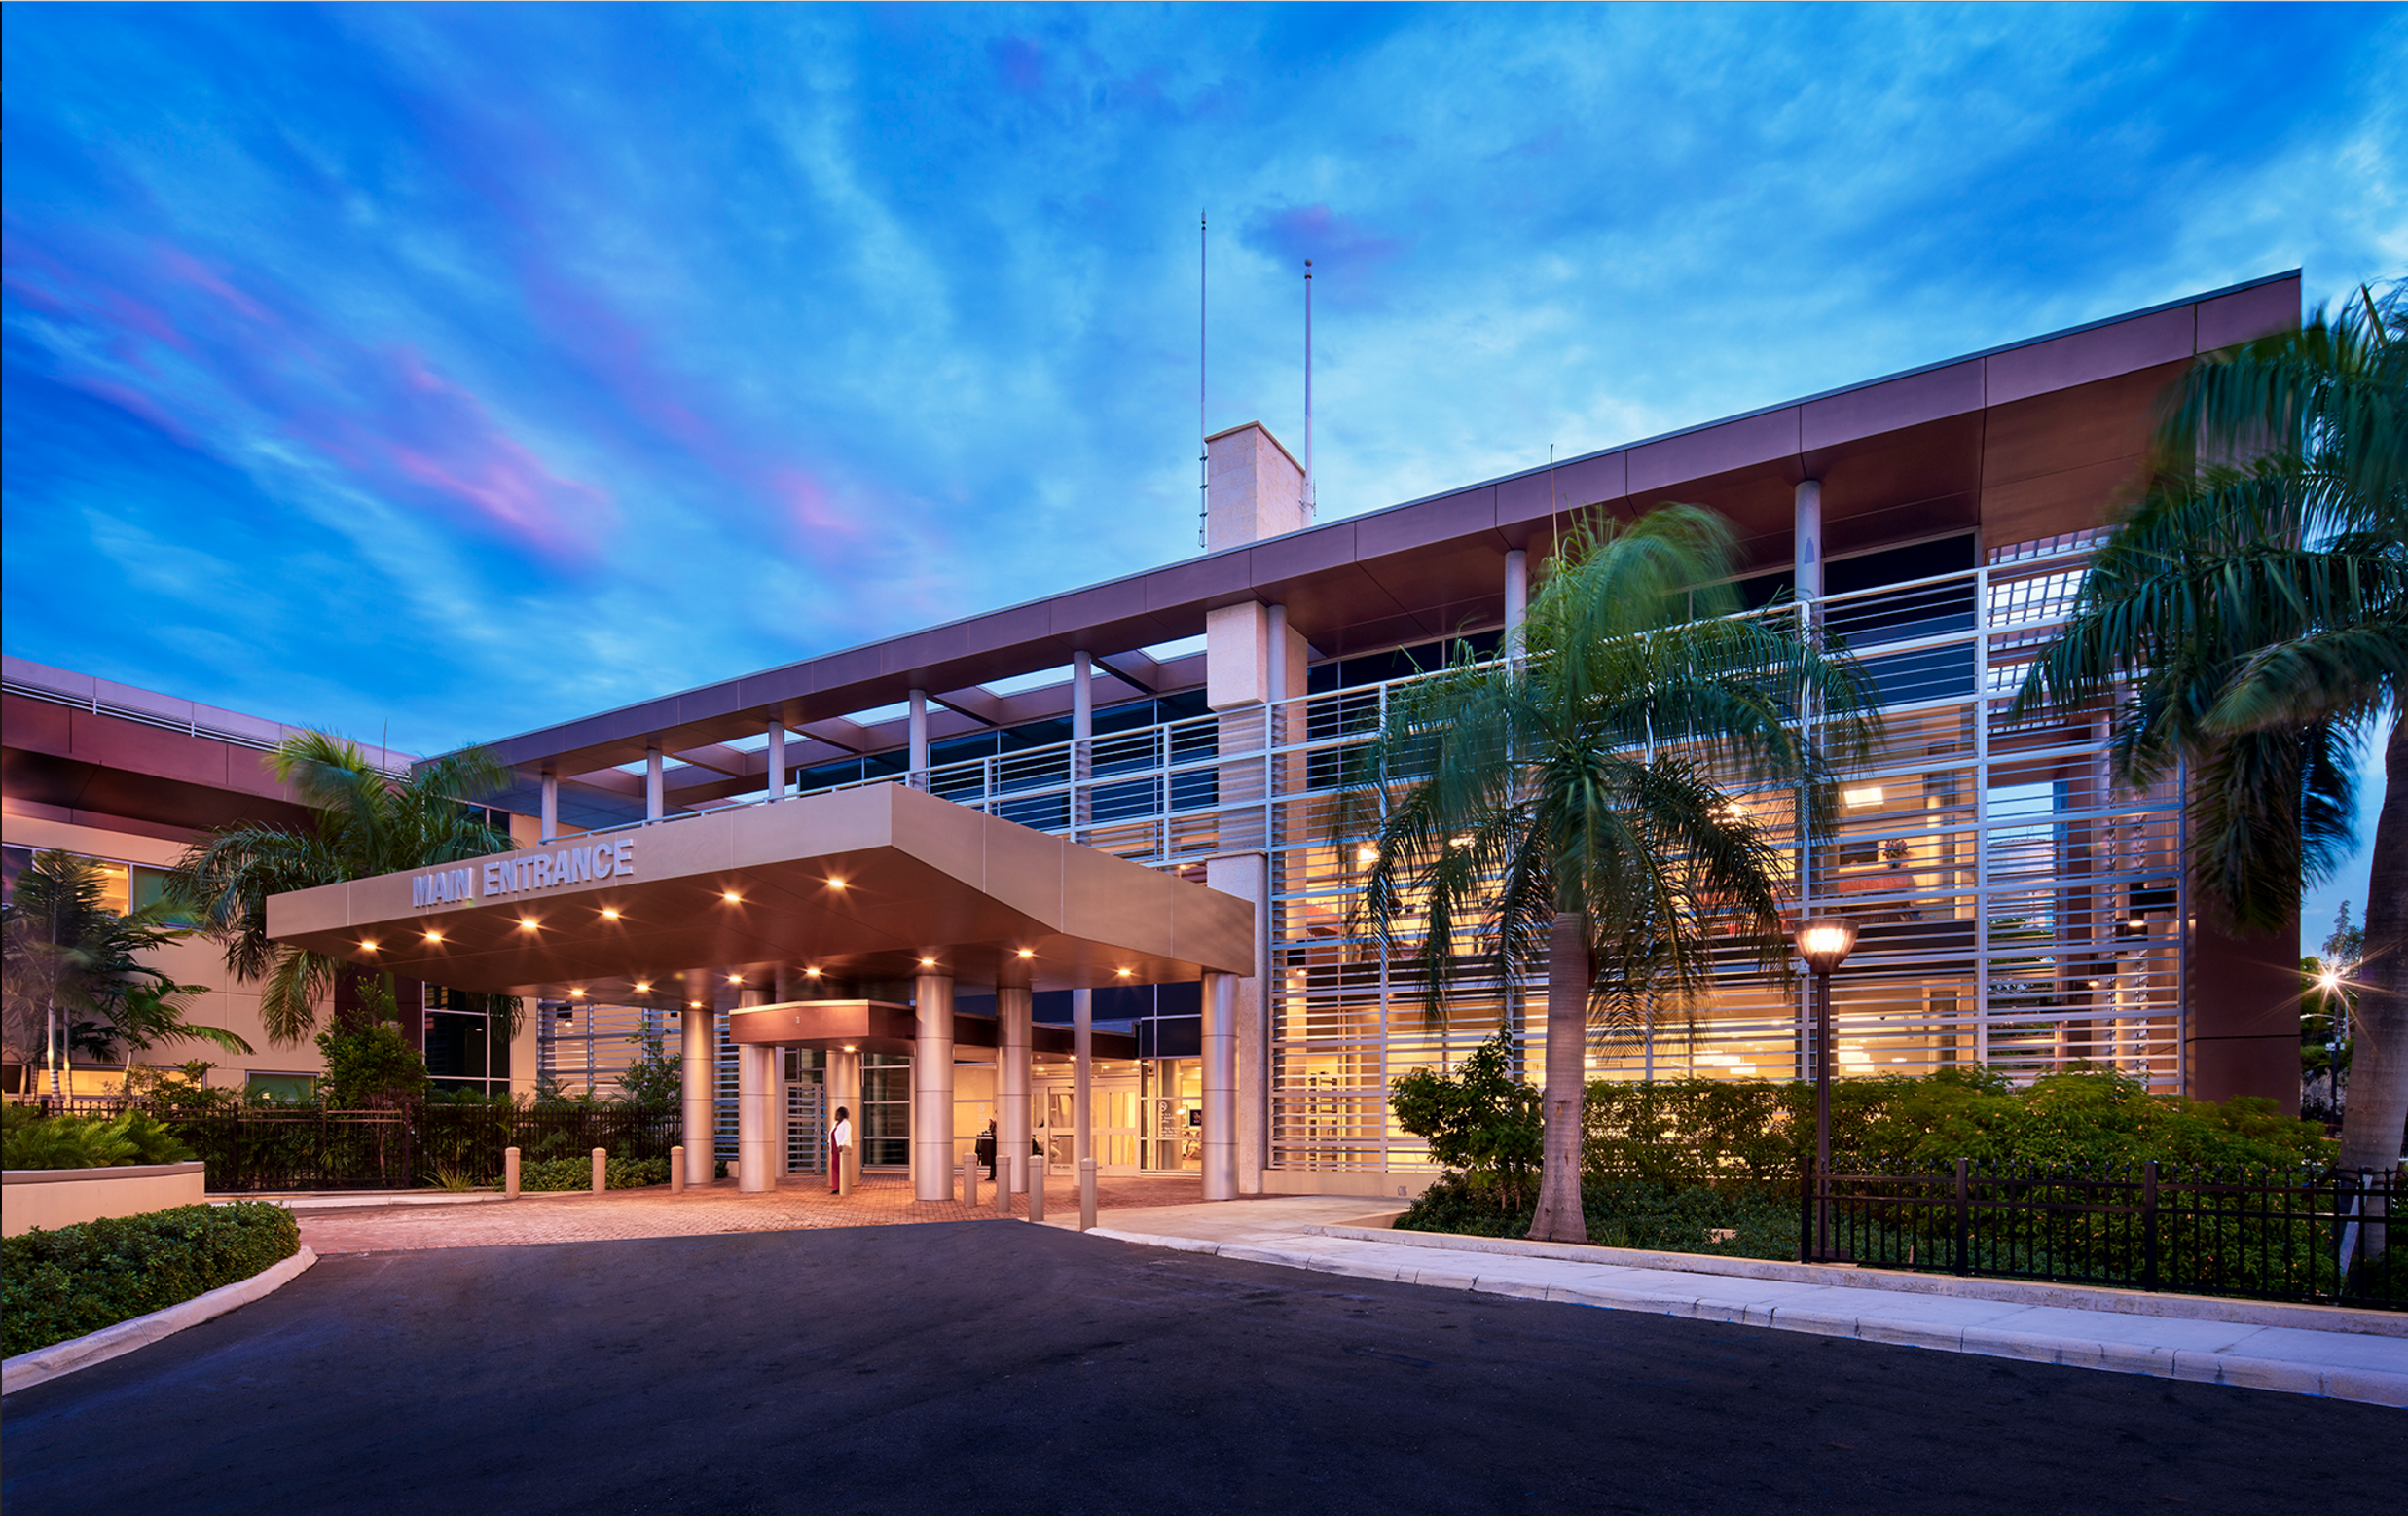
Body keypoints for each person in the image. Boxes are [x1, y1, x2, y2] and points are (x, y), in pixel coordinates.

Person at [829, 1105, 852, 1195]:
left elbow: (846, 1136)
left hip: (841, 1149)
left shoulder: (846, 1124)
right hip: (834, 1148)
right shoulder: (835, 1124)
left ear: (842, 1115)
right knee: (834, 1168)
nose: (836, 1116)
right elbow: (831, 1135)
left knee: (841, 1168)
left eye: (837, 1115)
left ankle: (841, 1186)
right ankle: (835, 1187)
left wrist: (842, 1144)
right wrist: (828, 1143)